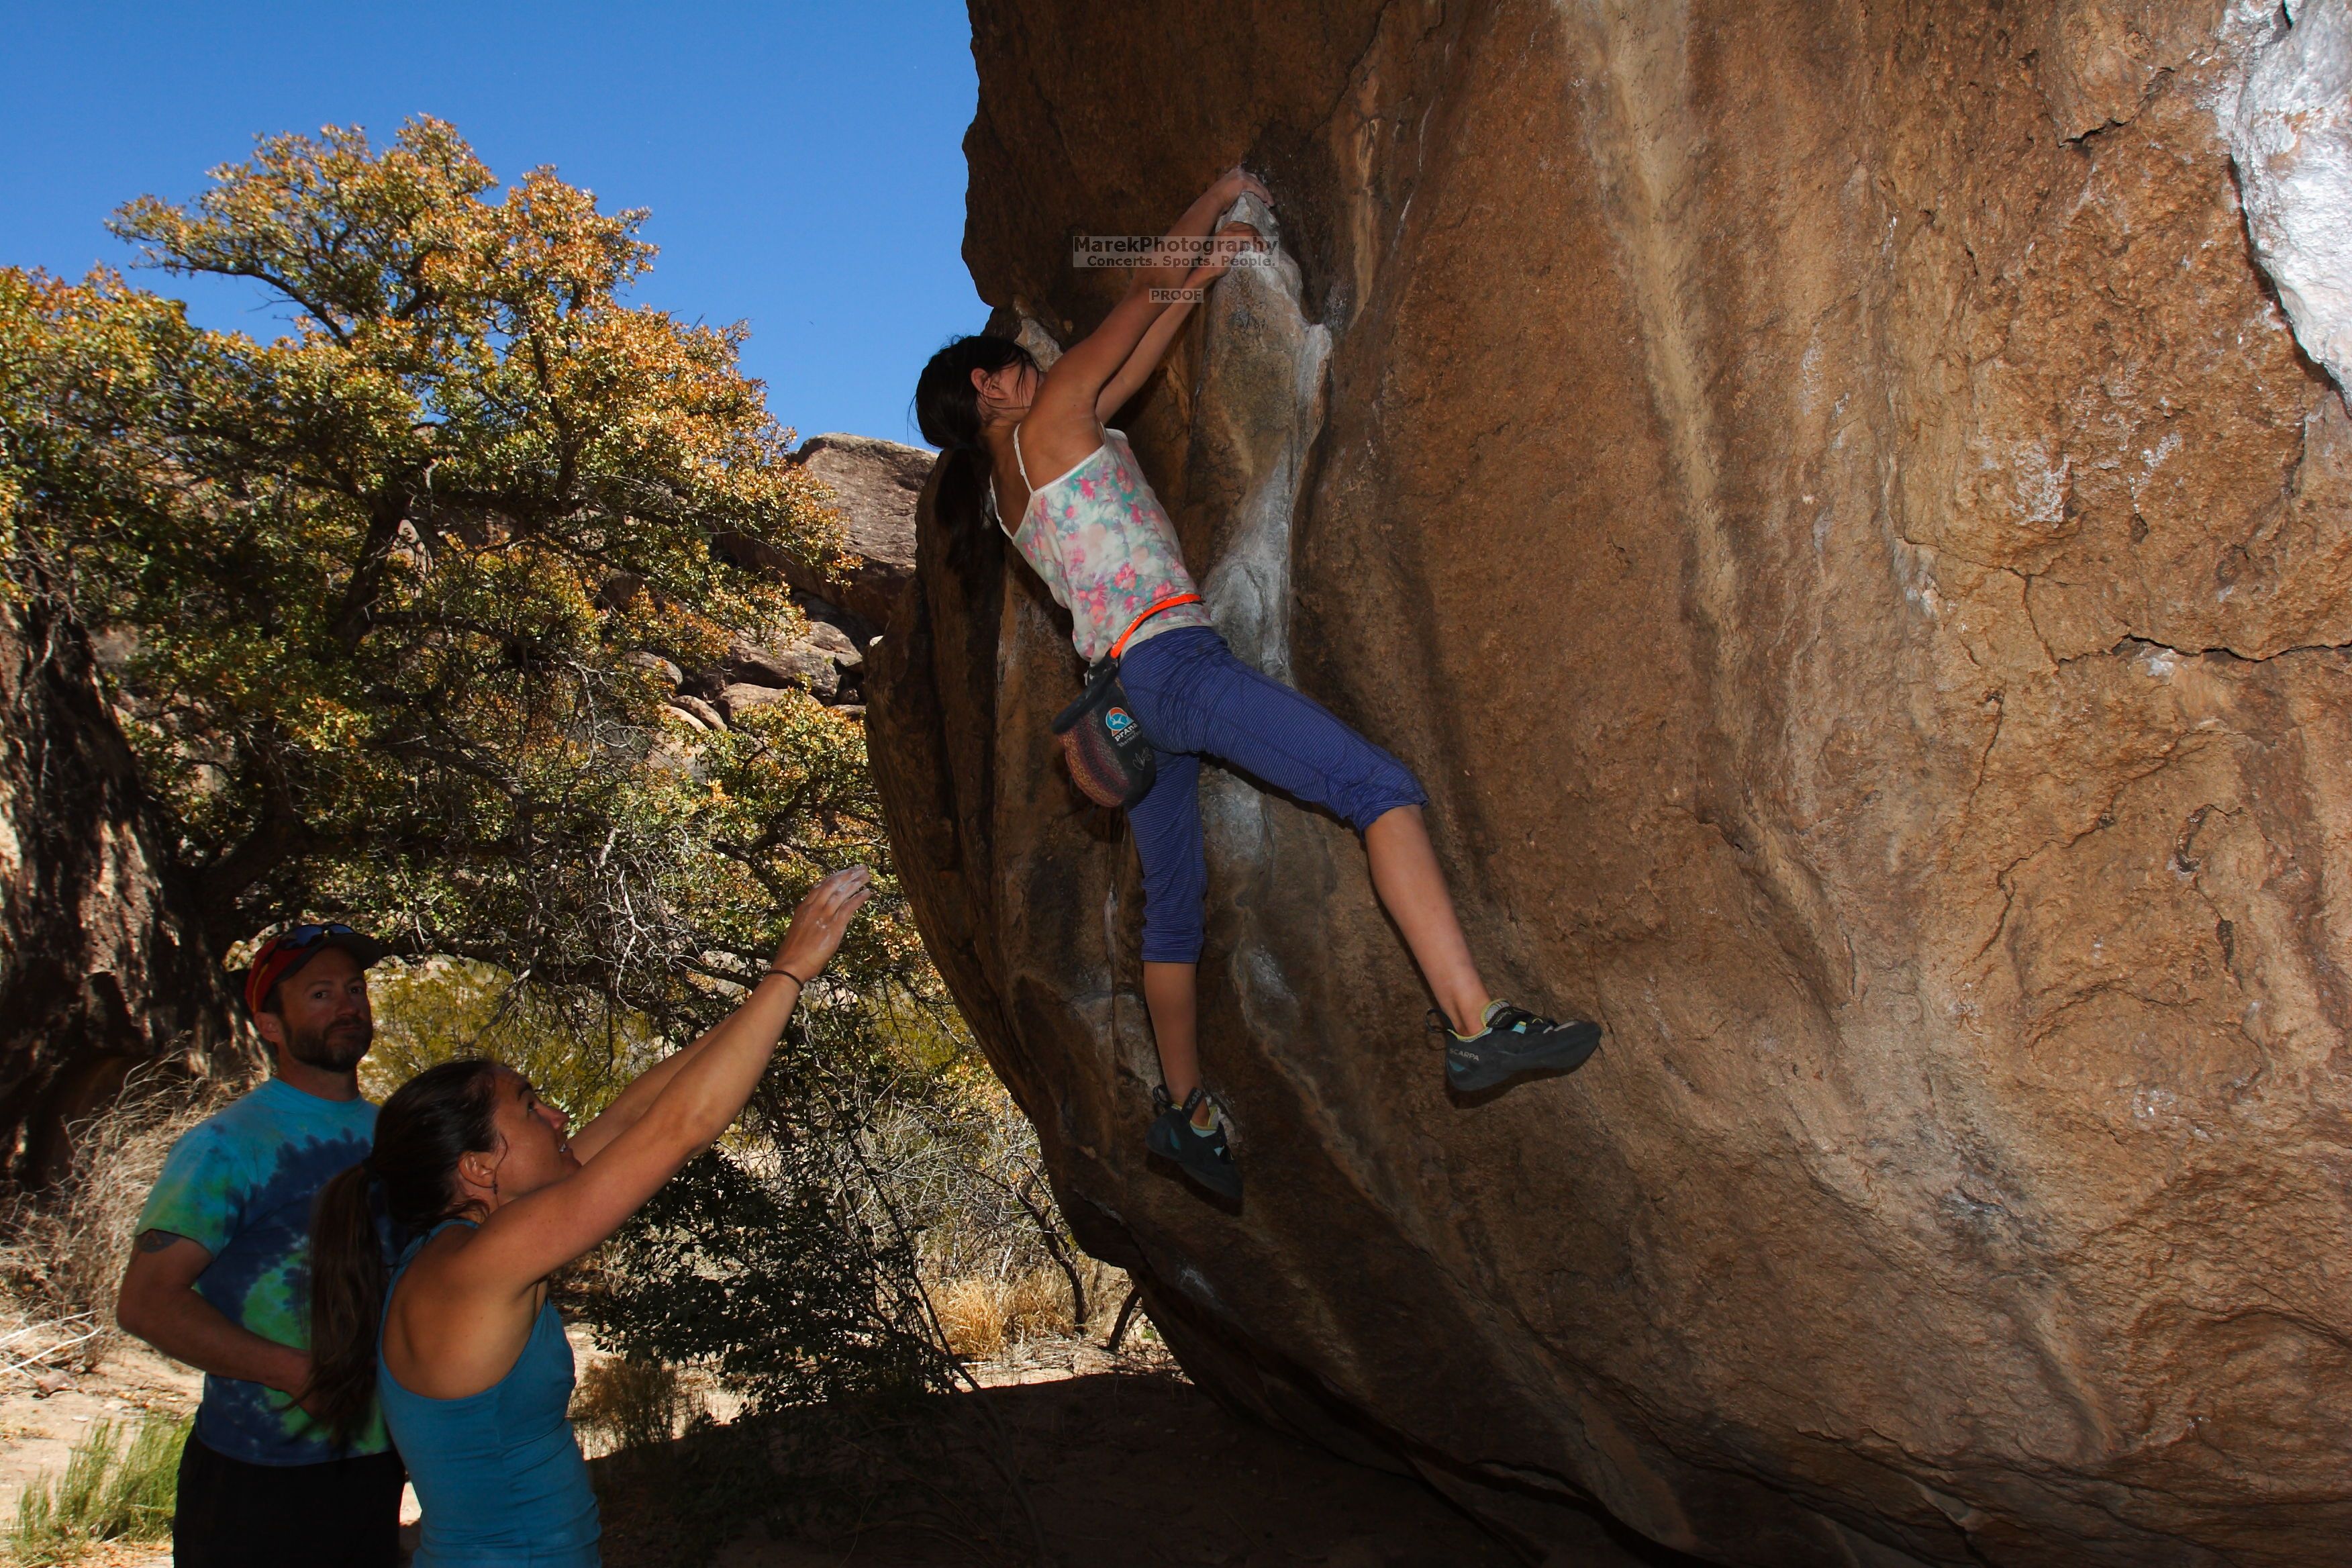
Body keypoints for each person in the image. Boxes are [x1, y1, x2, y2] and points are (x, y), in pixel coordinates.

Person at [912, 166, 1604, 1203]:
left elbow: (1137, 358)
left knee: (1173, 914)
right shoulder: (1050, 412)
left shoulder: (1017, 488)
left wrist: (1215, 270)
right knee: (1379, 789)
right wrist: (1215, 198)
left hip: (1126, 703)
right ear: (989, 382)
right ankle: (1474, 1025)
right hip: (1173, 669)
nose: (1039, 365)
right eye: (1022, 362)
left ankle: (1185, 1110)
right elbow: (1142, 290)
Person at [303, 866, 873, 1568]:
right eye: (530, 1105)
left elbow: (643, 1108)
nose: (559, 1116)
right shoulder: (477, 1265)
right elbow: (682, 1128)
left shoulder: (474, 1240)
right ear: (478, 1167)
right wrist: (788, 974)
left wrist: (771, 986)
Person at [117, 922, 405, 1568]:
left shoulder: (396, 1136)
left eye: (355, 989)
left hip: (376, 1465)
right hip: (256, 1474)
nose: (349, 1006)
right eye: (321, 995)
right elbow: (145, 1304)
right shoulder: (226, 1146)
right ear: (270, 1026)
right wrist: (294, 1372)